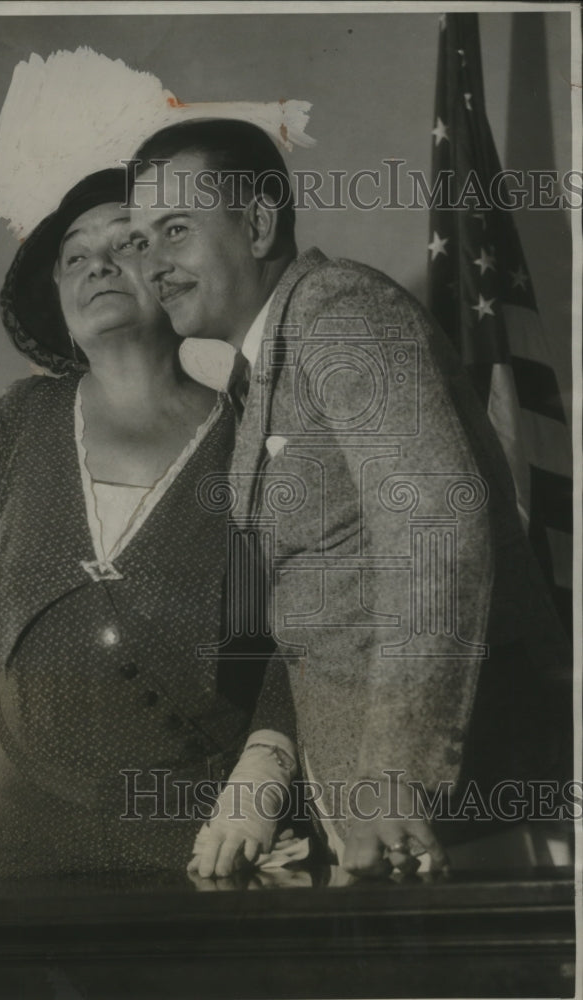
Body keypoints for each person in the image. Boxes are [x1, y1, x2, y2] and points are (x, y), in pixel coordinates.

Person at [122, 119, 572, 879]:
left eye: (175, 230)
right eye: (141, 241)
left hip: (464, 806)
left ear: (259, 222)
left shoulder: (340, 314)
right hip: (386, 822)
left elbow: (435, 527)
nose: (154, 265)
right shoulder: (266, 366)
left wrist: (397, 773)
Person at [0, 167, 297, 878]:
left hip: (210, 848)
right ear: (58, 296)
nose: (98, 267)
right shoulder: (19, 423)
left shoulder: (253, 437)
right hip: (35, 852)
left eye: (126, 244)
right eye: (76, 256)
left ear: (172, 272)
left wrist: (259, 783)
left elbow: (296, 641)